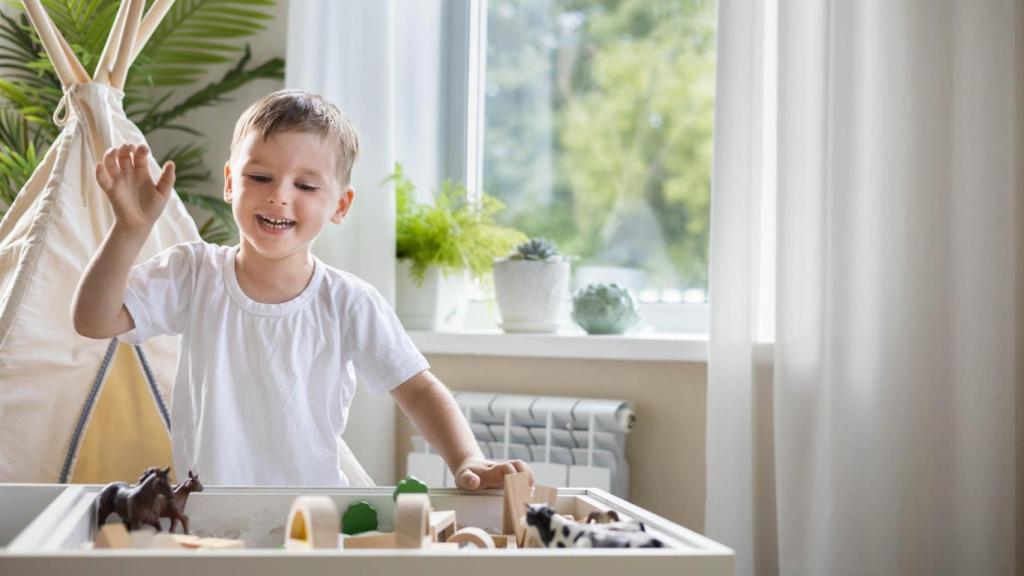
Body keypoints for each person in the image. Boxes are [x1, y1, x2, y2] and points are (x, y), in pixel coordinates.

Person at [72, 89, 532, 489]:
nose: (280, 196)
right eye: (260, 177)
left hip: (313, 522)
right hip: (208, 520)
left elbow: (417, 390)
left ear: (340, 204)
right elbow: (94, 320)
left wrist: (466, 459)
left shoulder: (349, 302)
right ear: (231, 182)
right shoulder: (193, 273)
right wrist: (129, 231)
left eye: (306, 185)